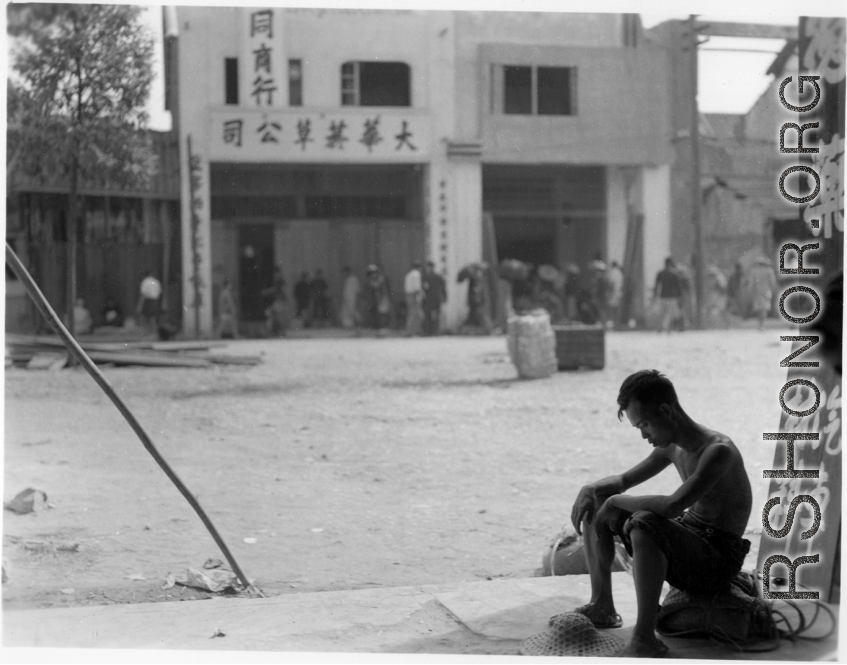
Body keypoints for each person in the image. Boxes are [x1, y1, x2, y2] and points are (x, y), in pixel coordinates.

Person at [570, 370, 752, 657]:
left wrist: (618, 501)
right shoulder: (672, 448)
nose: (643, 435)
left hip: (717, 558)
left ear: (666, 411)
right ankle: (602, 604)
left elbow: (671, 506)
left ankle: (643, 638)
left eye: (644, 424)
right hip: (690, 540)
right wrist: (591, 489)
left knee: (644, 522)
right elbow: (621, 481)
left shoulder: (718, 451)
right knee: (599, 499)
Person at [653, 257, 683, 333]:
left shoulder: (660, 273)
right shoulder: (674, 274)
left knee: (662, 313)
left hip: (663, 296)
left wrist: (655, 295)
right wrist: (679, 297)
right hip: (671, 297)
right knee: (670, 314)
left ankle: (660, 328)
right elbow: (678, 287)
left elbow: (656, 285)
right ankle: (668, 329)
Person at [746, 256, 777, 330]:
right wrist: (774, 290)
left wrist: (750, 291)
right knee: (764, 308)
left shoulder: (754, 271)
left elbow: (751, 283)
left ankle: (760, 323)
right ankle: (762, 324)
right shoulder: (769, 271)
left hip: (757, 292)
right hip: (766, 291)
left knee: (758, 308)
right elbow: (773, 282)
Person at [422, 261, 447, 336]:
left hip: (429, 299)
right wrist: (444, 297)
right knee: (435, 316)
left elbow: (425, 288)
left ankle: (429, 332)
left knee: (428, 315)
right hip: (436, 298)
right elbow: (443, 288)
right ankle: (435, 331)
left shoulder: (425, 277)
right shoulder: (438, 276)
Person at [404, 262, 424, 336]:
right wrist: (422, 295)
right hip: (413, 295)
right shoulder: (416, 274)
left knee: (412, 313)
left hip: (408, 295)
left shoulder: (409, 274)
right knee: (415, 314)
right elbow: (417, 287)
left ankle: (411, 331)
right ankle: (411, 331)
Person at [605, 261, 625, 329]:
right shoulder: (620, 272)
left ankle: (613, 323)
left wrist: (609, 292)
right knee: (617, 308)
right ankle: (617, 323)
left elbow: (611, 283)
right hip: (619, 292)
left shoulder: (612, 272)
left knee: (612, 308)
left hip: (614, 292)